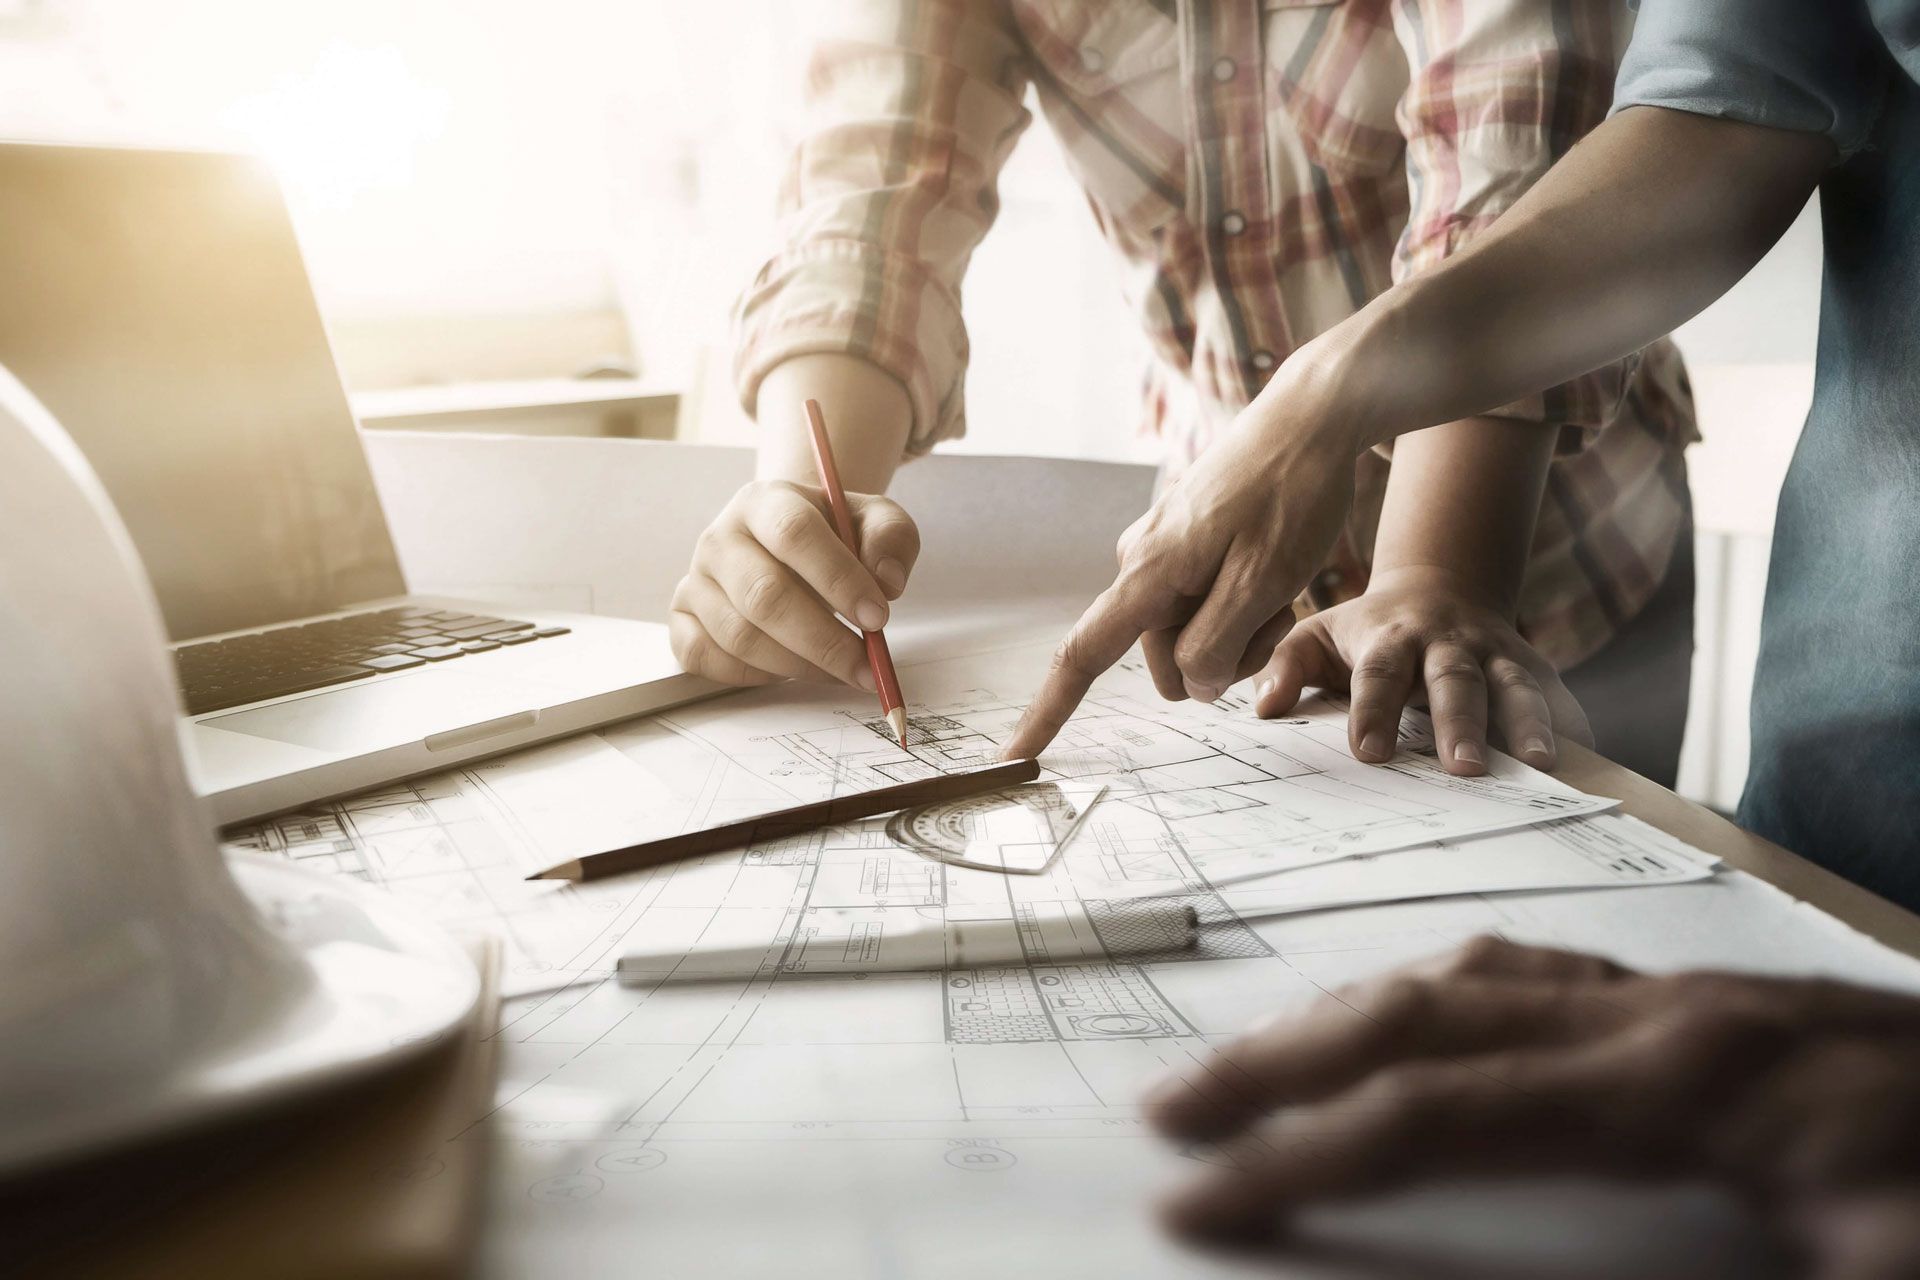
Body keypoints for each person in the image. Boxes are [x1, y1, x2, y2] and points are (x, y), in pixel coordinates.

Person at [1125, 0, 1920, 1265]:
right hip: (1849, 796)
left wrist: (1419, 533)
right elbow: (1720, 116)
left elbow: (1513, 97)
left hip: (1601, 586)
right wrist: (1334, 388)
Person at [675, 0, 1701, 784]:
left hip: (1554, 561)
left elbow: (1512, 153)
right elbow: (875, 204)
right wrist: (805, 510)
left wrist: (1437, 569)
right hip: (1231, 588)